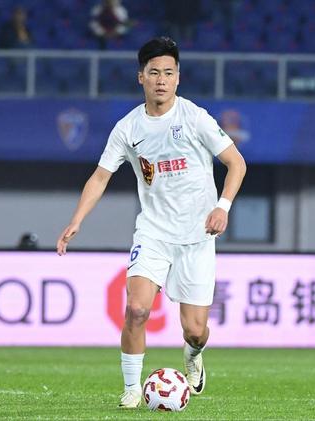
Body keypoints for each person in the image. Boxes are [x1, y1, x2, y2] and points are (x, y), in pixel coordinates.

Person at [56, 36, 246, 408]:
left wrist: (222, 206)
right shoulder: (128, 128)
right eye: (154, 72)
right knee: (137, 309)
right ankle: (131, 389)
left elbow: (236, 163)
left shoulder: (194, 118)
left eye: (169, 73)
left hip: (197, 236)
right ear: (140, 77)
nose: (162, 80)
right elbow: (100, 176)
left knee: (195, 331)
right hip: (153, 233)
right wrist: (77, 219)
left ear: (178, 78)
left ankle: (193, 355)